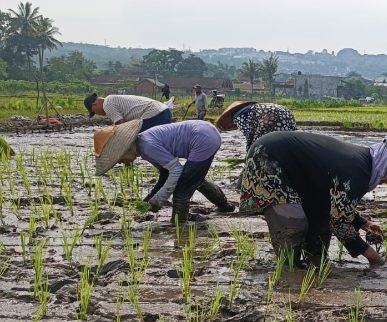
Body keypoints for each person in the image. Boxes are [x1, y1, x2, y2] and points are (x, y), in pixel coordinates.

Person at [239, 131, 387, 265]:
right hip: (269, 158)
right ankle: (287, 271)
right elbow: (338, 223)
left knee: (321, 219)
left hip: (297, 174)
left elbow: (336, 207)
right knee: (293, 224)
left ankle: (314, 262)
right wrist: (371, 255)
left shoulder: (364, 163)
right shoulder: (357, 170)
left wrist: (363, 224)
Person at [93, 119, 235, 224]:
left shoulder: (147, 146)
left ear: (124, 150)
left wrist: (159, 200)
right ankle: (224, 206)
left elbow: (176, 169)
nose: (119, 162)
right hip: (205, 131)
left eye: (118, 158)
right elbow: (165, 173)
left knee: (182, 188)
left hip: (203, 138)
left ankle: (179, 223)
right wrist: (148, 201)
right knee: (194, 179)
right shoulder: (143, 145)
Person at [215, 101, 298, 148]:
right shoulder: (254, 108)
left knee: (261, 146)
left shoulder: (240, 116)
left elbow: (249, 135)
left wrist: (249, 152)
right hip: (286, 112)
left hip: (270, 116)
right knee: (285, 143)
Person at [84, 93, 172, 131]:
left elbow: (123, 126)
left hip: (154, 114)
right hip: (164, 110)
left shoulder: (107, 104)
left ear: (94, 104)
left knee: (141, 139)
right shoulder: (112, 99)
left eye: (94, 112)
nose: (99, 114)